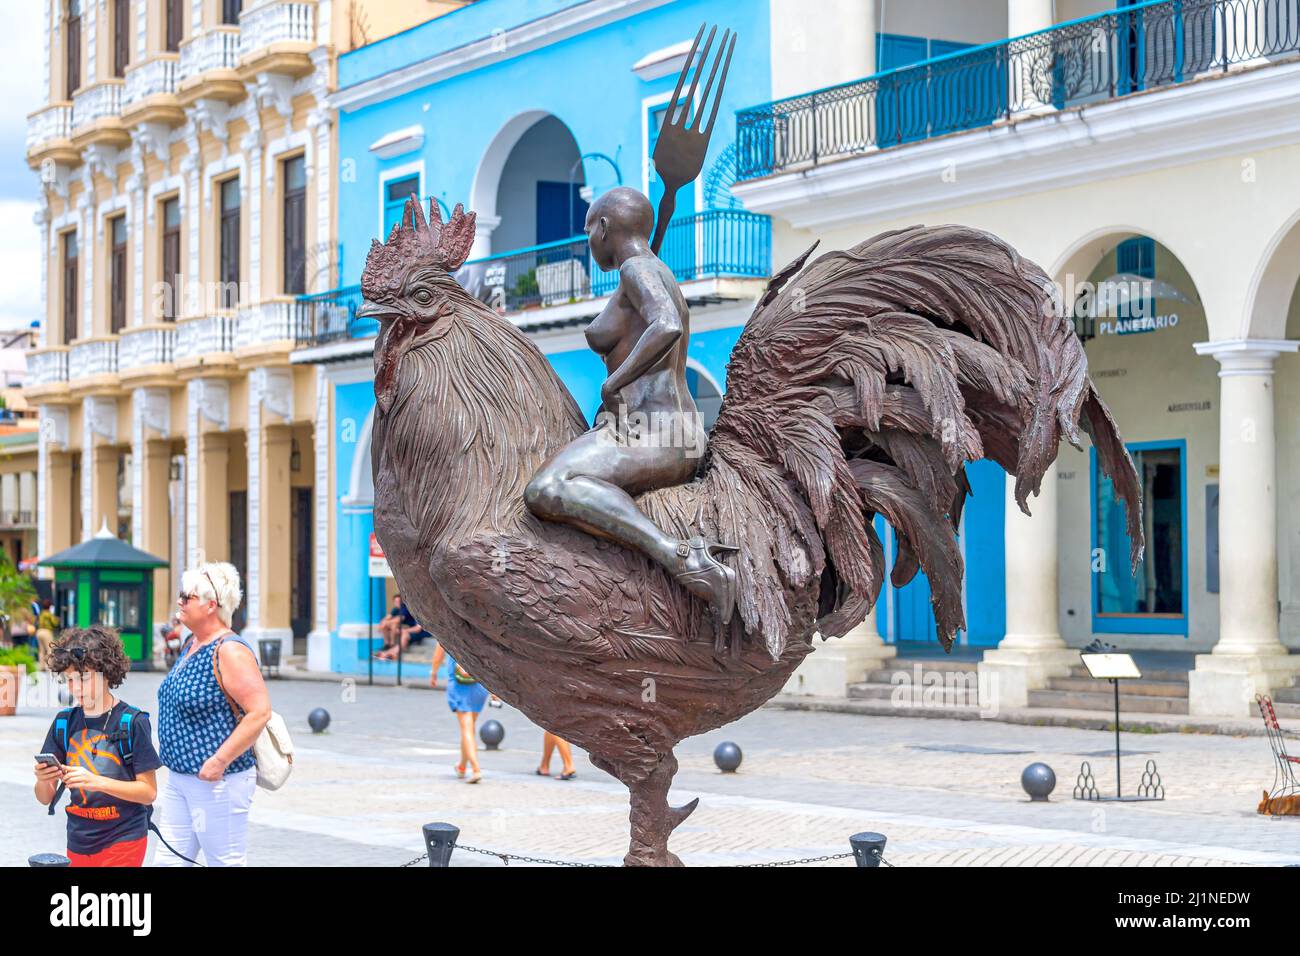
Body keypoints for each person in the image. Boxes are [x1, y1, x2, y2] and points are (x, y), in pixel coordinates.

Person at [523, 186, 737, 621]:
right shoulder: (648, 268)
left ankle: (682, 557)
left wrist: (613, 383)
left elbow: (667, 324)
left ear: (603, 228)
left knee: (547, 488)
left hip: (655, 432)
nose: (588, 241)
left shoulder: (638, 269)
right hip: (667, 431)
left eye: (588, 231)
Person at [154, 562, 270, 867]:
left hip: (218, 781)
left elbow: (259, 712)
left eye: (186, 596)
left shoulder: (229, 650)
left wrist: (219, 761)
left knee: (225, 862)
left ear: (211, 605)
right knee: (169, 861)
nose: (179, 601)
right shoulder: (193, 643)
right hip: (180, 777)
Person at [33, 626, 162, 867]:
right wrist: (42, 779)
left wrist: (95, 781)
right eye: (69, 680)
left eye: (83, 678)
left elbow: (149, 792)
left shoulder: (133, 721)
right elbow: (44, 797)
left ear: (106, 672)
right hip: (78, 839)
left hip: (124, 838)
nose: (75, 688)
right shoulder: (64, 723)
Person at [446, 655, 488, 783]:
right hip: (479, 686)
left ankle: (476, 769)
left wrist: (434, 673)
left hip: (460, 686)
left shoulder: (448, 636)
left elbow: (437, 657)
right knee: (469, 729)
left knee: (467, 730)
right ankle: (462, 767)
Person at [35, 598, 59, 669]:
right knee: (50, 649)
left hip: (39, 631)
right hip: (46, 632)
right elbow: (55, 623)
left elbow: (37, 621)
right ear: (49, 606)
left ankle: (41, 666)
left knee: (41, 650)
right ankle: (50, 665)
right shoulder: (49, 614)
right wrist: (58, 620)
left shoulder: (41, 614)